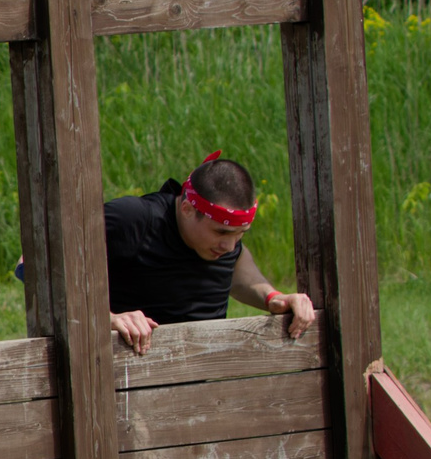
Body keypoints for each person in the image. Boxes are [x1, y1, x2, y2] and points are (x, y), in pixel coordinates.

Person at [102, 152, 317, 355]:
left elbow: (238, 269)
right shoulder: (133, 220)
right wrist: (107, 318)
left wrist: (275, 298)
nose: (229, 246)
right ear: (187, 209)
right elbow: (69, 268)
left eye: (240, 234)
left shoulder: (224, 248)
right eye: (221, 231)